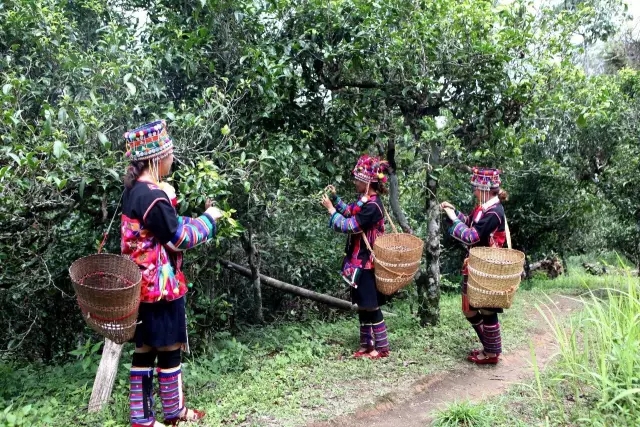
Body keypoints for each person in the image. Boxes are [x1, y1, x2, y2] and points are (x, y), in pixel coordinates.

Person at [121, 120, 223, 426]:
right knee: (167, 348)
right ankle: (167, 415)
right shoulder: (151, 196)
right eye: (170, 154)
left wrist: (174, 202)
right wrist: (210, 220)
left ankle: (151, 417)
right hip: (159, 288)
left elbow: (165, 227)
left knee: (146, 349)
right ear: (156, 158)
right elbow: (179, 238)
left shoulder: (137, 191)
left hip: (141, 285)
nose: (172, 159)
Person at [320, 154, 391, 360]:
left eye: (358, 179)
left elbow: (350, 225)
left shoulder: (373, 206)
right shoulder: (364, 201)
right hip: (358, 262)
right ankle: (367, 345)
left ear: (368, 182)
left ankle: (382, 348)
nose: (355, 182)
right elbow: (350, 211)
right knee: (362, 304)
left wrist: (331, 210)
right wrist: (335, 200)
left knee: (371, 304)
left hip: (368, 263)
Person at [440, 167, 508, 365]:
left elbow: (472, 236)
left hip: (486, 268)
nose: (474, 192)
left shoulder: (494, 213)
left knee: (486, 310)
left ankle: (491, 353)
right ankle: (489, 348)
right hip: (476, 265)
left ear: (485, 189)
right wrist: (453, 212)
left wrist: (453, 221)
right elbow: (470, 222)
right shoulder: (484, 208)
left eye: (476, 188)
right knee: (470, 309)